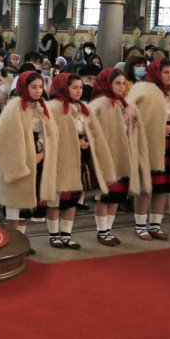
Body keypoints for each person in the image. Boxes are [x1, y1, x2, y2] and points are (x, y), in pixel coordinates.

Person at [47, 74, 114, 250]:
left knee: (73, 198)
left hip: (80, 157)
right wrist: (74, 143)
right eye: (74, 87)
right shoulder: (54, 108)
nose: (79, 91)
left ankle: (66, 235)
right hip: (61, 158)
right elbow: (51, 134)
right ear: (64, 87)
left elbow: (92, 130)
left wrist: (88, 141)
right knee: (57, 198)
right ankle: (54, 235)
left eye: (80, 87)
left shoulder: (83, 108)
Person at [128, 58, 170, 241]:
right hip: (150, 144)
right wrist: (156, 128)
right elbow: (130, 116)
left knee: (164, 187)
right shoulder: (143, 89)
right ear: (156, 72)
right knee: (147, 186)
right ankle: (140, 226)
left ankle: (156, 225)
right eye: (166, 72)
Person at [87, 69, 150, 246]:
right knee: (104, 196)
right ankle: (102, 231)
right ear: (108, 83)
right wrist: (125, 116)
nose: (122, 87)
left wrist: (133, 119)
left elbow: (136, 125)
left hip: (123, 156)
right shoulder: (99, 104)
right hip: (106, 156)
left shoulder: (126, 104)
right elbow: (98, 130)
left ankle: (109, 230)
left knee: (116, 195)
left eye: (123, 83)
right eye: (117, 83)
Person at [0, 71, 60, 240]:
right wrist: (23, 160)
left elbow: (51, 131)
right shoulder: (14, 108)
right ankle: (11, 242)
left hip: (38, 159)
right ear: (24, 87)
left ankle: (21, 240)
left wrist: (43, 151)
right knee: (15, 208)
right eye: (33, 87)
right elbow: (3, 138)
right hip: (18, 162)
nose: (38, 91)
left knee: (27, 208)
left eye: (40, 87)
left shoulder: (41, 107)